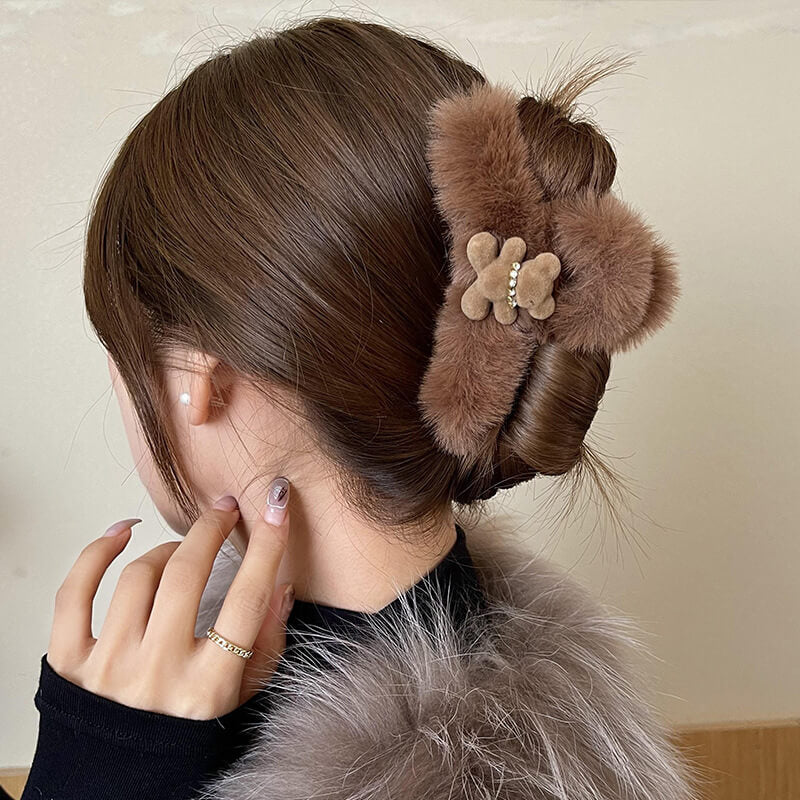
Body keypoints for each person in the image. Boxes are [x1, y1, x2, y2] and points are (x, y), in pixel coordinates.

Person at [21, 15, 701, 800]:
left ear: (198, 375)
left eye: (121, 353)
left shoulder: (131, 736)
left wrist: (96, 770)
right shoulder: (530, 736)